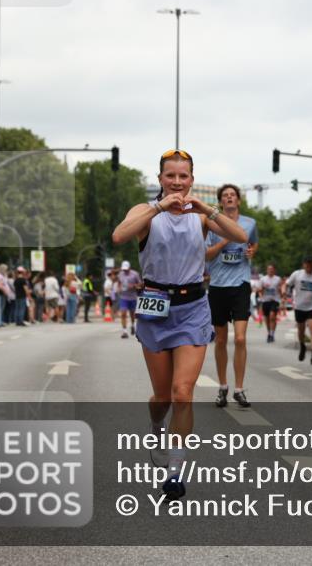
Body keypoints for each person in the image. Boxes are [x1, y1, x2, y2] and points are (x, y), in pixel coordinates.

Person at [112, 149, 247, 501]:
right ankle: (157, 426)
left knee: (182, 392)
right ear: (160, 179)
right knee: (161, 397)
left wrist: (207, 209)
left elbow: (239, 236)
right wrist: (157, 208)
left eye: (183, 176)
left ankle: (175, 469)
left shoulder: (200, 215)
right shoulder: (146, 211)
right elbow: (119, 236)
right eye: (170, 175)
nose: (176, 182)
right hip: (155, 306)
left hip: (192, 307)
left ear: (191, 180)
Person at [204, 183, 259, 409]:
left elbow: (254, 243)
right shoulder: (211, 223)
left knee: (240, 339)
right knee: (220, 340)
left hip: (240, 284)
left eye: (232, 195)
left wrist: (252, 251)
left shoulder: (250, 223)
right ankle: (223, 386)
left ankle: (239, 389)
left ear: (238, 200)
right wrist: (226, 239)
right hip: (217, 285)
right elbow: (207, 255)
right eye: (225, 195)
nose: (229, 198)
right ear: (220, 201)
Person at [285, 256, 312, 365]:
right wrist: (284, 292)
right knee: (301, 331)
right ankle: (302, 346)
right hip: (299, 307)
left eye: (311, 264)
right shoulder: (297, 274)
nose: (309, 266)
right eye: (307, 264)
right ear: (303, 264)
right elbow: (287, 284)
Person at [116, 260, 143, 338]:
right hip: (123, 297)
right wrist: (118, 288)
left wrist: (134, 286)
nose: (125, 270)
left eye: (126, 269)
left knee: (132, 314)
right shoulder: (120, 274)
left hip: (133, 297)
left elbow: (141, 284)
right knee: (123, 313)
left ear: (129, 268)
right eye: (124, 269)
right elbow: (119, 283)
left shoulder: (135, 274)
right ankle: (124, 332)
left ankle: (133, 325)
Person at [258, 264, 283, 343]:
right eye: (269, 269)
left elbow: (281, 289)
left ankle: (272, 334)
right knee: (267, 318)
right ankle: (269, 333)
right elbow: (259, 290)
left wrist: (282, 299)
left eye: (272, 269)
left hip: (275, 300)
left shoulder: (278, 279)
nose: (270, 270)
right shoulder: (263, 279)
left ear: (274, 270)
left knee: (272, 316)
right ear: (267, 270)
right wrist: (262, 291)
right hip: (265, 301)